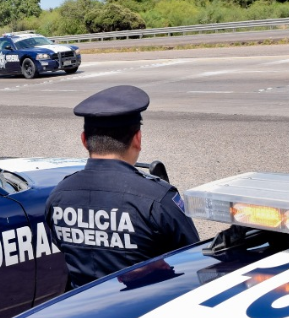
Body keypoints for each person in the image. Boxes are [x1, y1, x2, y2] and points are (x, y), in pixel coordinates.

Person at [45, 85, 200, 289]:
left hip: (81, 312)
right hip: (144, 311)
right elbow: (192, 259)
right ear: (137, 139)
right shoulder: (157, 198)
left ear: (84, 140)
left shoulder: (58, 195)